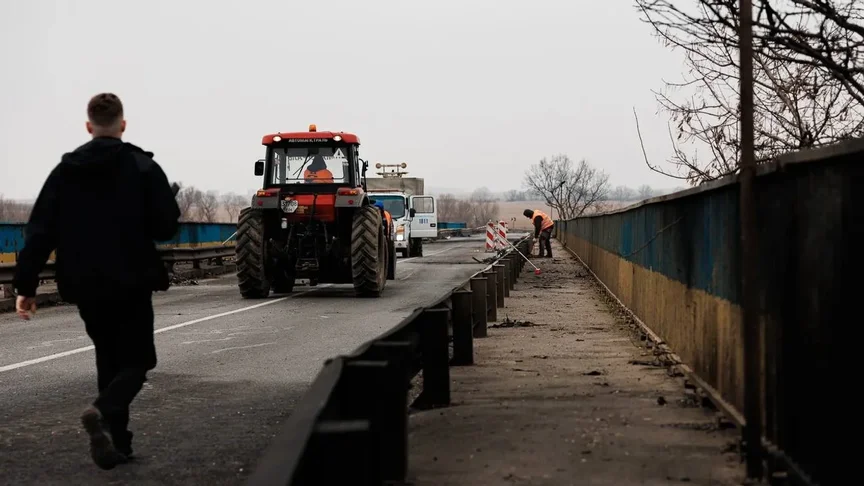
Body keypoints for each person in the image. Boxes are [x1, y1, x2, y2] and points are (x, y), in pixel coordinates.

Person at [12, 93, 181, 470]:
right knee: (139, 359)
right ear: (123, 124)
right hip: (131, 280)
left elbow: (39, 231)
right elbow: (165, 227)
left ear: (89, 126)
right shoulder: (142, 166)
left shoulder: (65, 171)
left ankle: (117, 443)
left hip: (84, 282)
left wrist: (25, 287)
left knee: (108, 357)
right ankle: (102, 411)